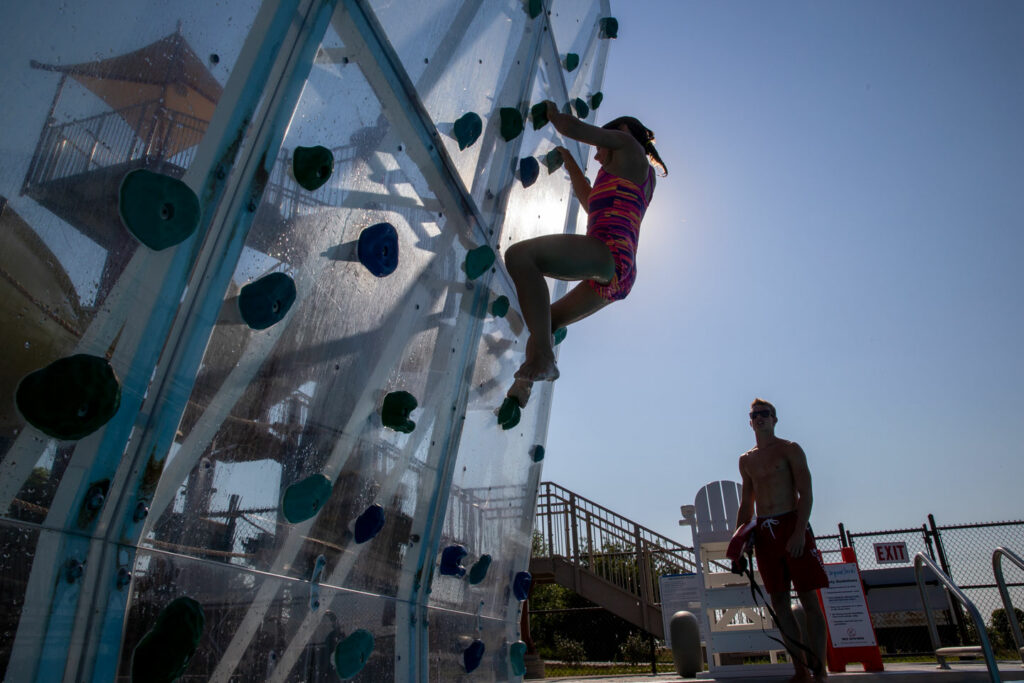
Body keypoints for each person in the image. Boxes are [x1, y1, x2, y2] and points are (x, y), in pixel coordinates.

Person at [504, 101, 667, 407]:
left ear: (620, 131)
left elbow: (574, 129)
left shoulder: (628, 145)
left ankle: (545, 359)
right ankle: (524, 384)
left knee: (520, 256)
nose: (596, 153)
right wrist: (567, 160)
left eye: (600, 146)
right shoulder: (632, 176)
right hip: (620, 274)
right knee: (547, 319)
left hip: (609, 253)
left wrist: (553, 114)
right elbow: (589, 199)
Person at [736, 398, 829, 682]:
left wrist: (800, 531)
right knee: (779, 603)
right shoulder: (746, 460)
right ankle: (799, 670)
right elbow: (746, 504)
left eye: (766, 413)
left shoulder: (790, 450)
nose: (760, 417)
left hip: (792, 524)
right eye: (755, 414)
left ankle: (820, 669)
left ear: (775, 419)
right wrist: (740, 540)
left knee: (809, 600)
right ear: (749, 421)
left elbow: (806, 493)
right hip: (766, 533)